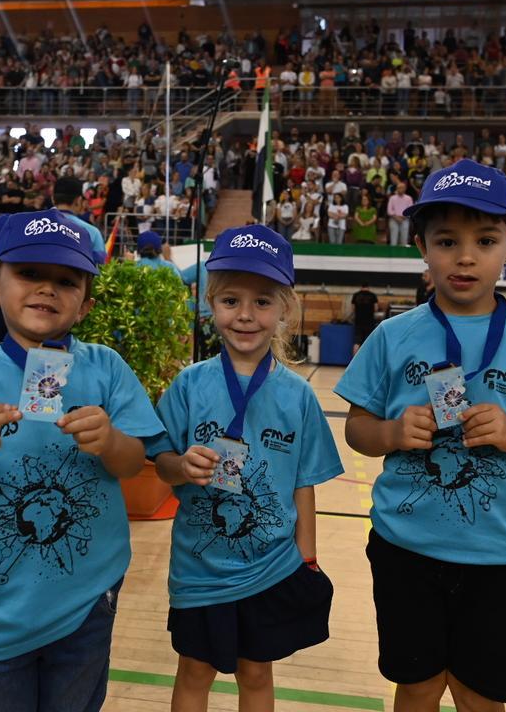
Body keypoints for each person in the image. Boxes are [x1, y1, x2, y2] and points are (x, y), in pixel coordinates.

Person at [334, 159, 506, 711]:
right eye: (447, 240)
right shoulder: (391, 336)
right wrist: (391, 431)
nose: (466, 256)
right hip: (405, 550)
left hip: (501, 558)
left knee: (480, 696)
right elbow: (357, 429)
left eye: (486, 239)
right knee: (418, 687)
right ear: (421, 245)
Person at [0, 210, 164, 712]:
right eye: (28, 273)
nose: (46, 289)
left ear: (86, 305)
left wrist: (110, 441)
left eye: (66, 281)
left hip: (86, 595)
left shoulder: (106, 368)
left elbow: (134, 463)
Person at [147, 225, 342, 712]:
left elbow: (304, 484)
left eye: (262, 302)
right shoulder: (189, 385)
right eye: (231, 300)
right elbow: (160, 466)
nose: (246, 316)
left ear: (284, 310)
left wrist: (308, 557)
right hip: (200, 567)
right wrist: (180, 465)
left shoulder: (298, 395)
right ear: (211, 303)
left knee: (257, 673)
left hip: (271, 566)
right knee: (195, 670)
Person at [51, 178, 107, 263]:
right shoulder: (92, 232)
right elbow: (101, 267)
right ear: (79, 200)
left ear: (53, 199)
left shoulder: (32, 226)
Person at [351, 284, 379, 354]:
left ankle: (354, 361)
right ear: (368, 287)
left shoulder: (356, 295)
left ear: (361, 287)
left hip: (358, 321)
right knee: (368, 341)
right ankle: (366, 362)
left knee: (357, 341)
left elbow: (353, 309)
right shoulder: (372, 295)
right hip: (369, 321)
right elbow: (376, 308)